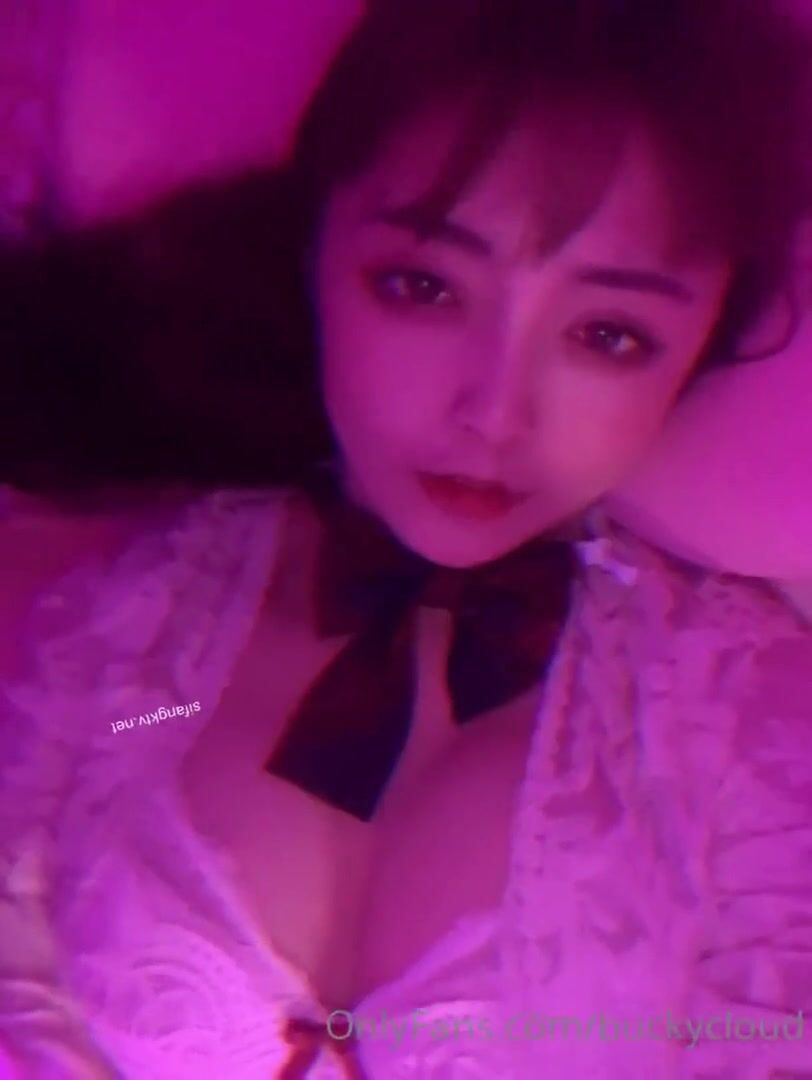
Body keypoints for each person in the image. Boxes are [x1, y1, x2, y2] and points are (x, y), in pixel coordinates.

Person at [1, 1, 812, 1076]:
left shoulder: (745, 720)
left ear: (697, 351)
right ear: (314, 254)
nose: (493, 412)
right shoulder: (137, 637)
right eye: (422, 286)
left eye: (607, 334)